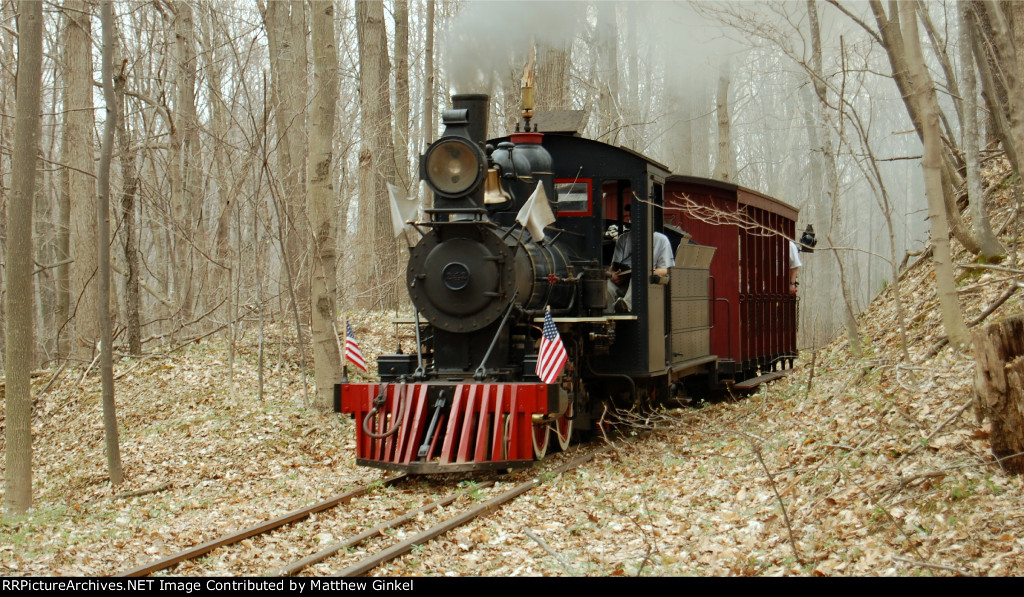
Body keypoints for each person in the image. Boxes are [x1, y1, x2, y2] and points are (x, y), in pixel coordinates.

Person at [606, 205, 675, 313]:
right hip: (623, 281)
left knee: (638, 276)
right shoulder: (622, 239)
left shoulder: (661, 240)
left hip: (647, 284)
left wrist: (647, 272)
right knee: (608, 286)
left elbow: (666, 270)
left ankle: (626, 307)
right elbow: (613, 266)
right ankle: (609, 315)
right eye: (632, 216)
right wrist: (613, 275)